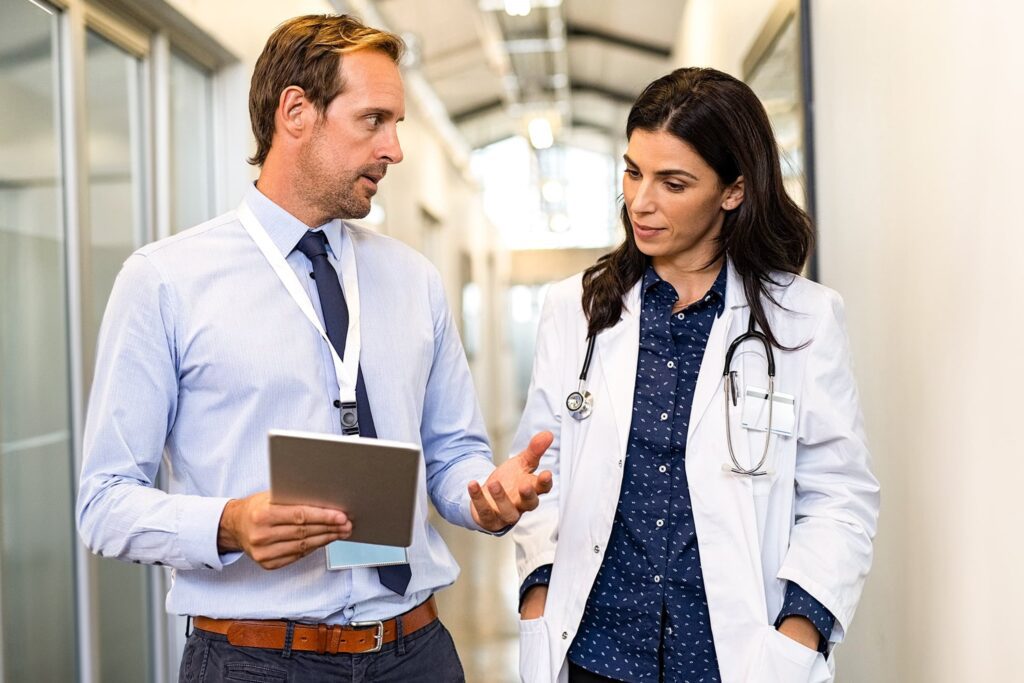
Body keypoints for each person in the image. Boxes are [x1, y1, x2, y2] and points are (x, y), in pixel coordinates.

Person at [76, 14, 551, 683]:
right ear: (296, 111)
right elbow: (103, 503)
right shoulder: (165, 281)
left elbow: (452, 453)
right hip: (254, 661)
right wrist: (229, 522)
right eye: (374, 120)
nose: (394, 149)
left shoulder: (413, 279)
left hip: (416, 651)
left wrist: (484, 494)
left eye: (397, 124)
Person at [511, 67, 880, 683]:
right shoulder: (574, 309)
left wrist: (801, 629)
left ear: (733, 191)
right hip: (595, 650)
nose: (640, 201)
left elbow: (840, 495)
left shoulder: (804, 319)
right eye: (633, 172)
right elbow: (541, 465)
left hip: (734, 660)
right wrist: (539, 592)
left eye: (673, 183)